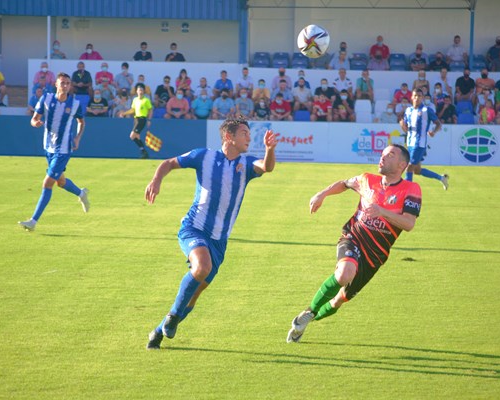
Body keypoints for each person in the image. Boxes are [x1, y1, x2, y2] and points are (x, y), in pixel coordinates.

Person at [145, 117, 277, 350]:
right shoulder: (203, 156)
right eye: (244, 133)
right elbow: (168, 163)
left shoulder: (246, 164)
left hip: (219, 242)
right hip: (194, 228)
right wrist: (156, 180)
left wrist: (269, 150)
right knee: (201, 267)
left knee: (194, 295)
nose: (249, 137)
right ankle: (173, 317)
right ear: (229, 137)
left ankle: (158, 331)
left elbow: (266, 167)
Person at [286, 144, 421, 343]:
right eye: (382, 153)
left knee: (339, 300)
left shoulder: (411, 189)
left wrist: (382, 211)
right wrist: (321, 194)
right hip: (353, 237)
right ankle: (308, 312)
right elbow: (344, 183)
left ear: (402, 164)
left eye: (390, 155)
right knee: (343, 274)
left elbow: (409, 224)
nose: (382, 157)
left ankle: (305, 323)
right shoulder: (366, 179)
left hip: (375, 255)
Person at [18, 73, 89, 232]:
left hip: (64, 149)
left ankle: (33, 221)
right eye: (62, 83)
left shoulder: (74, 103)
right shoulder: (46, 99)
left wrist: (77, 138)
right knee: (61, 182)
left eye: (68, 83)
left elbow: (81, 122)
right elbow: (34, 118)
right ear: (56, 84)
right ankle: (81, 193)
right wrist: (35, 122)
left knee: (47, 183)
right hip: (48, 147)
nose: (65, 86)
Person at [399, 89, 448, 189]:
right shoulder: (408, 111)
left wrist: (434, 132)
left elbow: (438, 123)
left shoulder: (426, 110)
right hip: (410, 143)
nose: (417, 98)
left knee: (409, 167)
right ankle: (441, 178)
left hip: (419, 144)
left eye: (419, 96)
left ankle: (406, 191)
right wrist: (402, 126)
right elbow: (407, 130)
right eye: (415, 96)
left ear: (422, 98)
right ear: (412, 97)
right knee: (417, 170)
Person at [120, 83, 153, 159]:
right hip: (136, 119)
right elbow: (133, 110)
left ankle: (143, 151)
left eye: (141, 90)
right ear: (136, 91)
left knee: (132, 136)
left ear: (144, 91)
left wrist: (149, 119)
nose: (140, 91)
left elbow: (150, 110)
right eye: (139, 90)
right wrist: (124, 113)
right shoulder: (135, 100)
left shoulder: (146, 100)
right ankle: (144, 153)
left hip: (142, 119)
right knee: (137, 137)